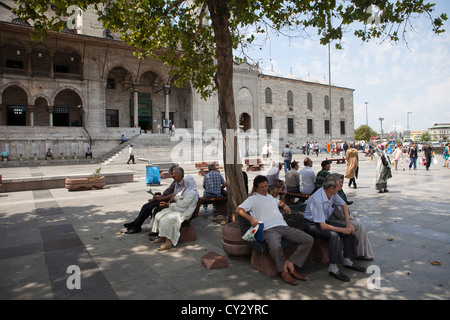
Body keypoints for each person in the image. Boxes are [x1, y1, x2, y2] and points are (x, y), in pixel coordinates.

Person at [236, 175, 314, 285]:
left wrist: (285, 205)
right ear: (256, 188)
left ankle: (291, 263)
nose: (265, 188)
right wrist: (251, 219)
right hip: (269, 229)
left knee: (308, 239)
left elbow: (279, 203)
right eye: (262, 187)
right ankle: (284, 271)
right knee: (275, 247)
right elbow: (239, 209)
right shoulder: (252, 199)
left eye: (266, 186)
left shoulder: (270, 197)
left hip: (283, 226)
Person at [302, 175, 365, 282]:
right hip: (311, 225)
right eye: (337, 187)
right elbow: (323, 226)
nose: (339, 188)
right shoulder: (318, 199)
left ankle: (347, 260)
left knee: (349, 231)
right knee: (333, 235)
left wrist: (348, 225)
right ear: (331, 188)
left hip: (323, 222)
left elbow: (344, 205)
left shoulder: (331, 193)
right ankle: (333, 268)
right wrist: (343, 230)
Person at [123, 166, 182, 234]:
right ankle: (135, 223)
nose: (172, 176)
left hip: (167, 201)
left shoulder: (181, 183)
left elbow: (173, 195)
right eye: (172, 174)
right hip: (163, 198)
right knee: (145, 206)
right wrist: (159, 196)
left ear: (179, 175)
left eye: (173, 174)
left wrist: (160, 198)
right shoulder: (176, 182)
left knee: (149, 207)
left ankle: (136, 225)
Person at [329, 173, 374, 260]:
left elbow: (344, 207)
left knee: (359, 226)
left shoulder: (340, 193)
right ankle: (361, 252)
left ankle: (361, 251)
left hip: (341, 218)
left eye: (342, 182)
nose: (341, 184)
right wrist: (350, 218)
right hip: (333, 220)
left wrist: (350, 216)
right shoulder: (333, 193)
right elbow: (339, 213)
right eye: (339, 182)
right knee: (359, 226)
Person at [151, 175, 199, 251]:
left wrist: (174, 203)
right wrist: (179, 200)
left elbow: (182, 204)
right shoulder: (185, 190)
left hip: (185, 212)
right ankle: (163, 236)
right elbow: (177, 197)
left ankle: (168, 242)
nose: (183, 183)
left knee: (167, 219)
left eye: (184, 181)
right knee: (160, 214)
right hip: (179, 209)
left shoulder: (192, 193)